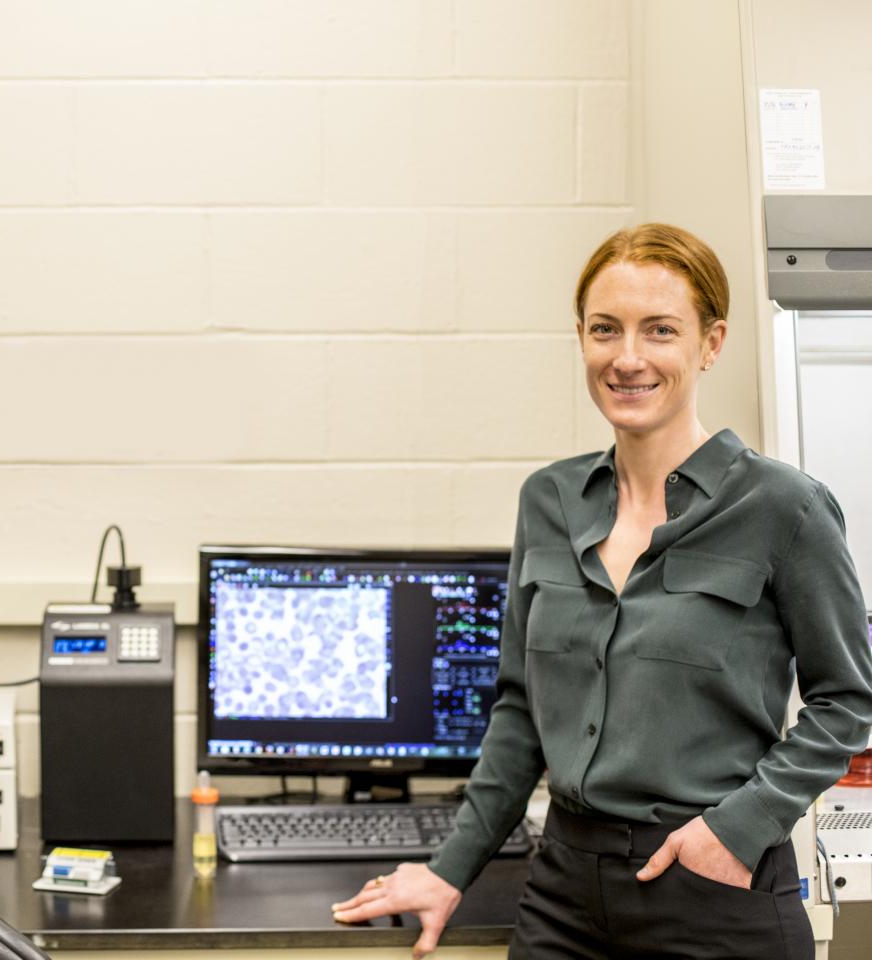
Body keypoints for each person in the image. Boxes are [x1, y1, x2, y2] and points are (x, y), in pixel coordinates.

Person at [332, 224, 872, 958]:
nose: (627, 357)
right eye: (605, 329)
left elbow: (847, 701)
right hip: (564, 892)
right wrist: (449, 869)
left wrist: (737, 829)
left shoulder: (785, 508)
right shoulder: (549, 500)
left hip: (712, 884)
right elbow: (521, 710)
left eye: (660, 330)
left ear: (710, 343)